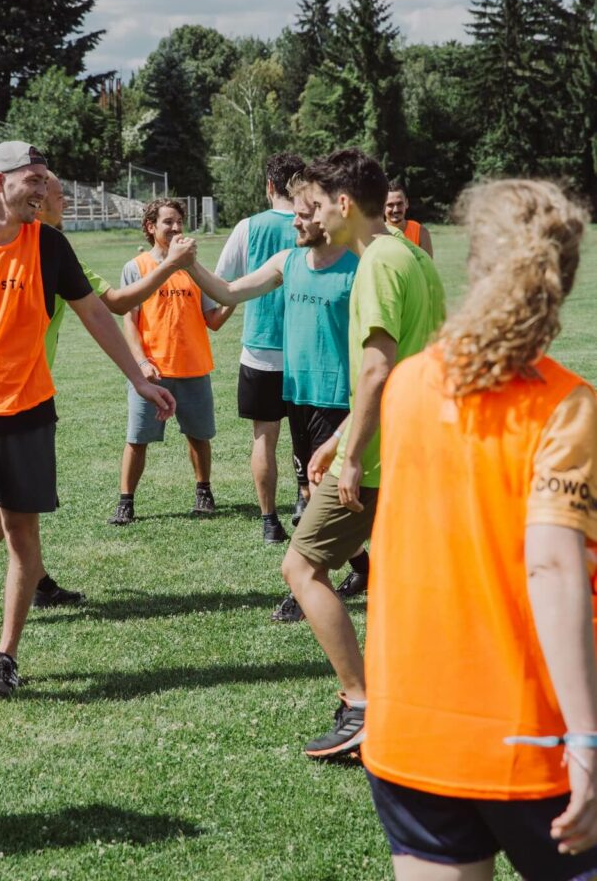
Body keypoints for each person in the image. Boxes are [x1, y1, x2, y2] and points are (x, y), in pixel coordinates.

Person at [363, 179, 597, 881]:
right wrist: (586, 738)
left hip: (410, 731)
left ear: (473, 267)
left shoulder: (406, 386)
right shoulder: (566, 407)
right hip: (533, 739)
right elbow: (552, 567)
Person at [0, 142, 175, 714]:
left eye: (45, 180)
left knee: (24, 539)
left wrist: (139, 379)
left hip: (30, 408)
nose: (43, 189)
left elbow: (96, 315)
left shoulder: (49, 244)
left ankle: (5, 657)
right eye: (33, 179)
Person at [280, 148, 445, 759]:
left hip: (379, 456)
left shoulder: (376, 263)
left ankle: (361, 704)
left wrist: (352, 455)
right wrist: (336, 435)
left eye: (319, 205)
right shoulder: (413, 257)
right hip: (412, 445)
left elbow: (377, 367)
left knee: (301, 568)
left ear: (345, 205)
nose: (314, 216)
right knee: (403, 586)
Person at [182, 178, 365, 613]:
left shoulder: (360, 266)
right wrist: (188, 265)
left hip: (339, 400)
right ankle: (363, 567)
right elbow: (228, 292)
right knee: (309, 492)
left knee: (317, 501)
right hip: (297, 395)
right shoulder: (289, 260)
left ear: (325, 216)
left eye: (303, 215)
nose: (296, 222)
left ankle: (303, 585)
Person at [107, 199, 231, 526]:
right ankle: (126, 501)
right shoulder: (137, 267)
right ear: (151, 227)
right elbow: (129, 321)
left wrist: (235, 298)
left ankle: (203, 492)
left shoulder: (194, 269)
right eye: (168, 222)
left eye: (179, 222)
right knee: (137, 439)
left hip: (193, 369)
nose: (176, 228)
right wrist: (141, 362)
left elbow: (213, 320)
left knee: (199, 436)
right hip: (152, 374)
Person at [215, 153, 305, 543]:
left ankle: (270, 521)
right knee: (310, 438)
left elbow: (223, 285)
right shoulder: (316, 224)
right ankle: (306, 502)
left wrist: (216, 315)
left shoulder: (249, 227)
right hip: (307, 351)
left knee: (263, 438)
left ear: (269, 186)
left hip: (260, 349)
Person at [384, 182, 434, 257]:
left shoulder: (420, 232)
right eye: (390, 205)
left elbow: (427, 267)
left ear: (406, 203)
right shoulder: (376, 233)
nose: (395, 210)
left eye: (399, 204)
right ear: (382, 207)